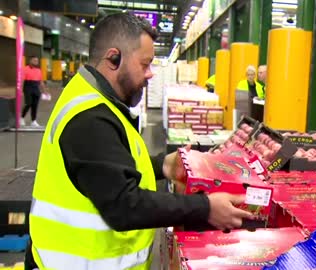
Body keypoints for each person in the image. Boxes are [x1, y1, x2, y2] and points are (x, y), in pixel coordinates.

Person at [26, 13, 252, 269]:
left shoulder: (95, 100)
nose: (150, 74)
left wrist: (163, 166)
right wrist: (205, 207)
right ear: (113, 58)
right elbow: (124, 205)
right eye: (145, 64)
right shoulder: (91, 119)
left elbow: (108, 167)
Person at [21, 56, 47, 127]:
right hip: (28, 87)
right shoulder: (25, 69)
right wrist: (20, 90)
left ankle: (33, 121)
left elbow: (41, 82)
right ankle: (22, 118)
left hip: (36, 88)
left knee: (35, 105)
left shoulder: (38, 70)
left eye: (37, 61)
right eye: (34, 60)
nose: (36, 62)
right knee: (28, 103)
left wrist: (44, 91)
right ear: (30, 61)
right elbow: (22, 80)